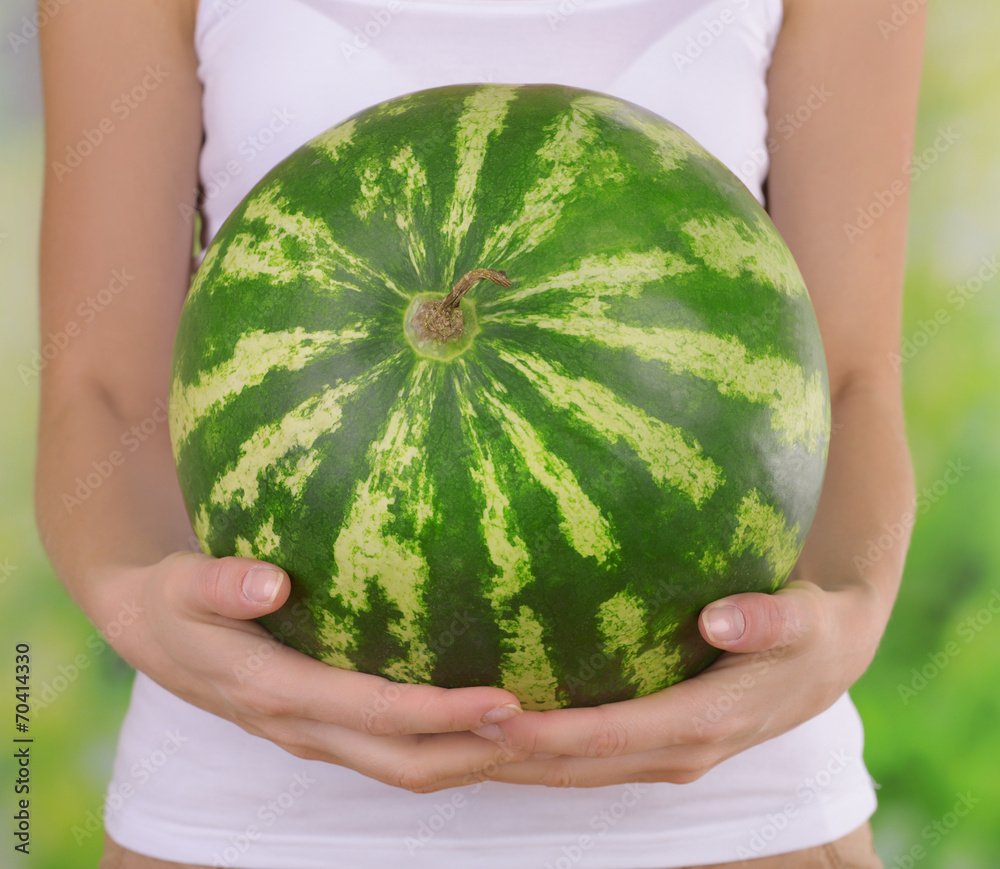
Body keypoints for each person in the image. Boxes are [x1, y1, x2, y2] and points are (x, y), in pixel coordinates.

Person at [36, 0, 924, 866]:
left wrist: (849, 620)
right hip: (243, 821)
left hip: (732, 820)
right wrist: (139, 607)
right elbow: (101, 392)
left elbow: (851, 379)